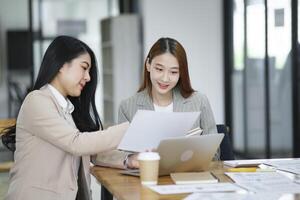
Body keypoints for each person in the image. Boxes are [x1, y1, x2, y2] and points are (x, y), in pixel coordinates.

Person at [2, 35, 129, 200]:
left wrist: (128, 160)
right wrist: (130, 127)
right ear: (61, 65)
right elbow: (76, 143)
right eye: (84, 68)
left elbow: (93, 153)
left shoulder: (69, 109)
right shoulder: (37, 101)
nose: (88, 77)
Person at [94, 37, 218, 169]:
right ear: (148, 64)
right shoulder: (127, 107)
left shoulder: (199, 101)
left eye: (173, 72)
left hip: (188, 177)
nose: (165, 78)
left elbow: (215, 154)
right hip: (145, 180)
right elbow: (123, 155)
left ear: (181, 73)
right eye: (159, 69)